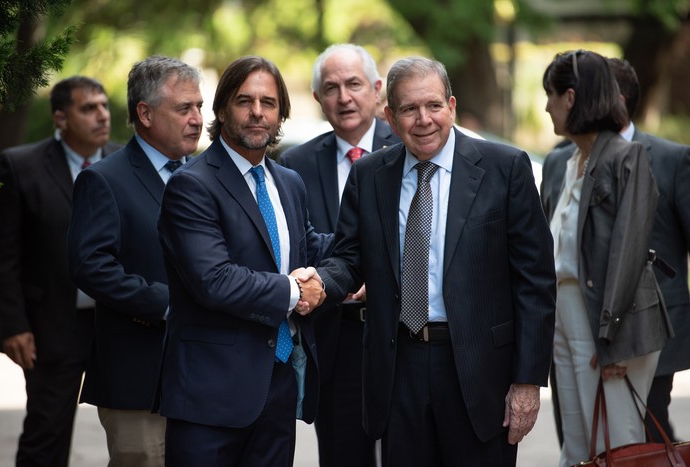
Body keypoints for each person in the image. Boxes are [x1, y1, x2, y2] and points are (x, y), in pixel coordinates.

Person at [312, 56, 556, 467]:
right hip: (397, 368)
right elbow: (348, 259)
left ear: (452, 106)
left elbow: (535, 282)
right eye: (408, 109)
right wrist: (316, 284)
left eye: (433, 106)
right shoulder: (370, 175)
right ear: (389, 116)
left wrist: (527, 381)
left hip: (479, 372)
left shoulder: (505, 168)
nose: (423, 119)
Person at [154, 55, 334, 467]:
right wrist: (296, 290)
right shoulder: (191, 185)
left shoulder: (288, 182)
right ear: (221, 110)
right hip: (209, 397)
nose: (257, 112)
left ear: (280, 113)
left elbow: (308, 248)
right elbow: (214, 280)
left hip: (278, 384)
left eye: (268, 103)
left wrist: (369, 250)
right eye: (244, 101)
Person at [66, 56, 203, 467]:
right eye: (184, 108)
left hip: (205, 377)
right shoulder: (104, 178)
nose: (197, 118)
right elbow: (90, 266)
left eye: (199, 106)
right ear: (144, 113)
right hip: (138, 378)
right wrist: (164, 304)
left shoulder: (204, 175)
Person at [539, 50, 674, 467]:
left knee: (618, 445)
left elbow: (629, 252)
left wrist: (612, 336)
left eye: (552, 94)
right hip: (566, 313)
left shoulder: (625, 157)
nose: (546, 105)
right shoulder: (568, 160)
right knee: (578, 446)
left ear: (572, 98)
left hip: (608, 320)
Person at [279, 43, 400, 467]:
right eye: (331, 88)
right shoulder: (294, 165)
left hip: (399, 337)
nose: (343, 97)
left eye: (353, 84)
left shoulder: (410, 148)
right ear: (317, 99)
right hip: (334, 341)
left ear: (377, 90)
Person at [0, 76, 118, 467]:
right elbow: (2, 254)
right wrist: (13, 325)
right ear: (60, 118)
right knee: (47, 433)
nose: (101, 115)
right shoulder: (20, 165)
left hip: (117, 324)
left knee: (134, 434)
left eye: (104, 106)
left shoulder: (123, 162)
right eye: (88, 108)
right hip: (52, 325)